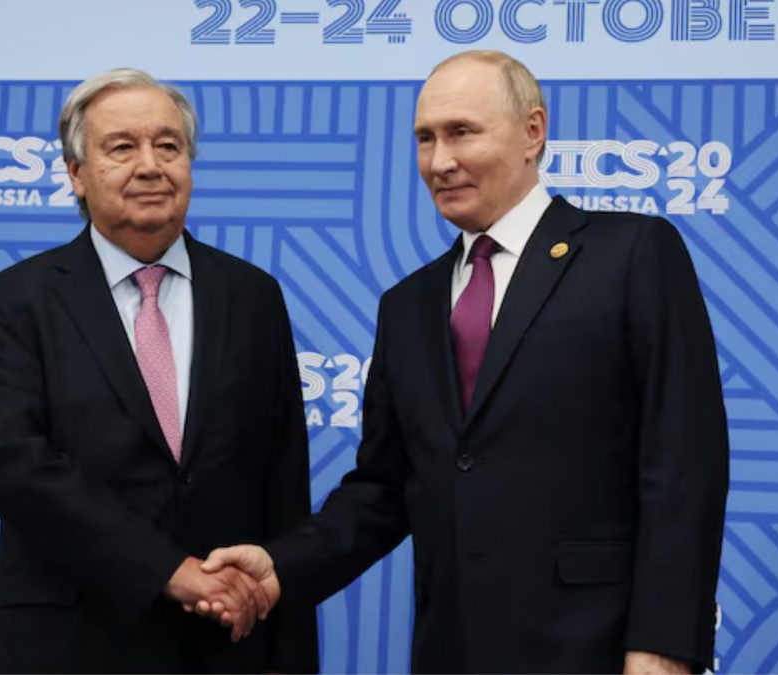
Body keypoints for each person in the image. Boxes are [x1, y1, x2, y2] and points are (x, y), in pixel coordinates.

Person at [201, 51, 729, 673]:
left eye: (461, 132)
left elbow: (683, 462)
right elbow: (384, 489)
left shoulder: (632, 254)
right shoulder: (407, 304)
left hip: (598, 648)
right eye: (425, 138)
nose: (439, 161)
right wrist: (281, 567)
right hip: (452, 650)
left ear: (533, 131)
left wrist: (664, 645)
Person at [0, 67, 317, 673]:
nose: (150, 166)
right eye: (122, 148)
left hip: (225, 646)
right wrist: (167, 571)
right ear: (76, 173)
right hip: (67, 641)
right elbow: (14, 465)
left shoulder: (253, 296)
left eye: (168, 146)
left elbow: (283, 483)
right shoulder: (17, 301)